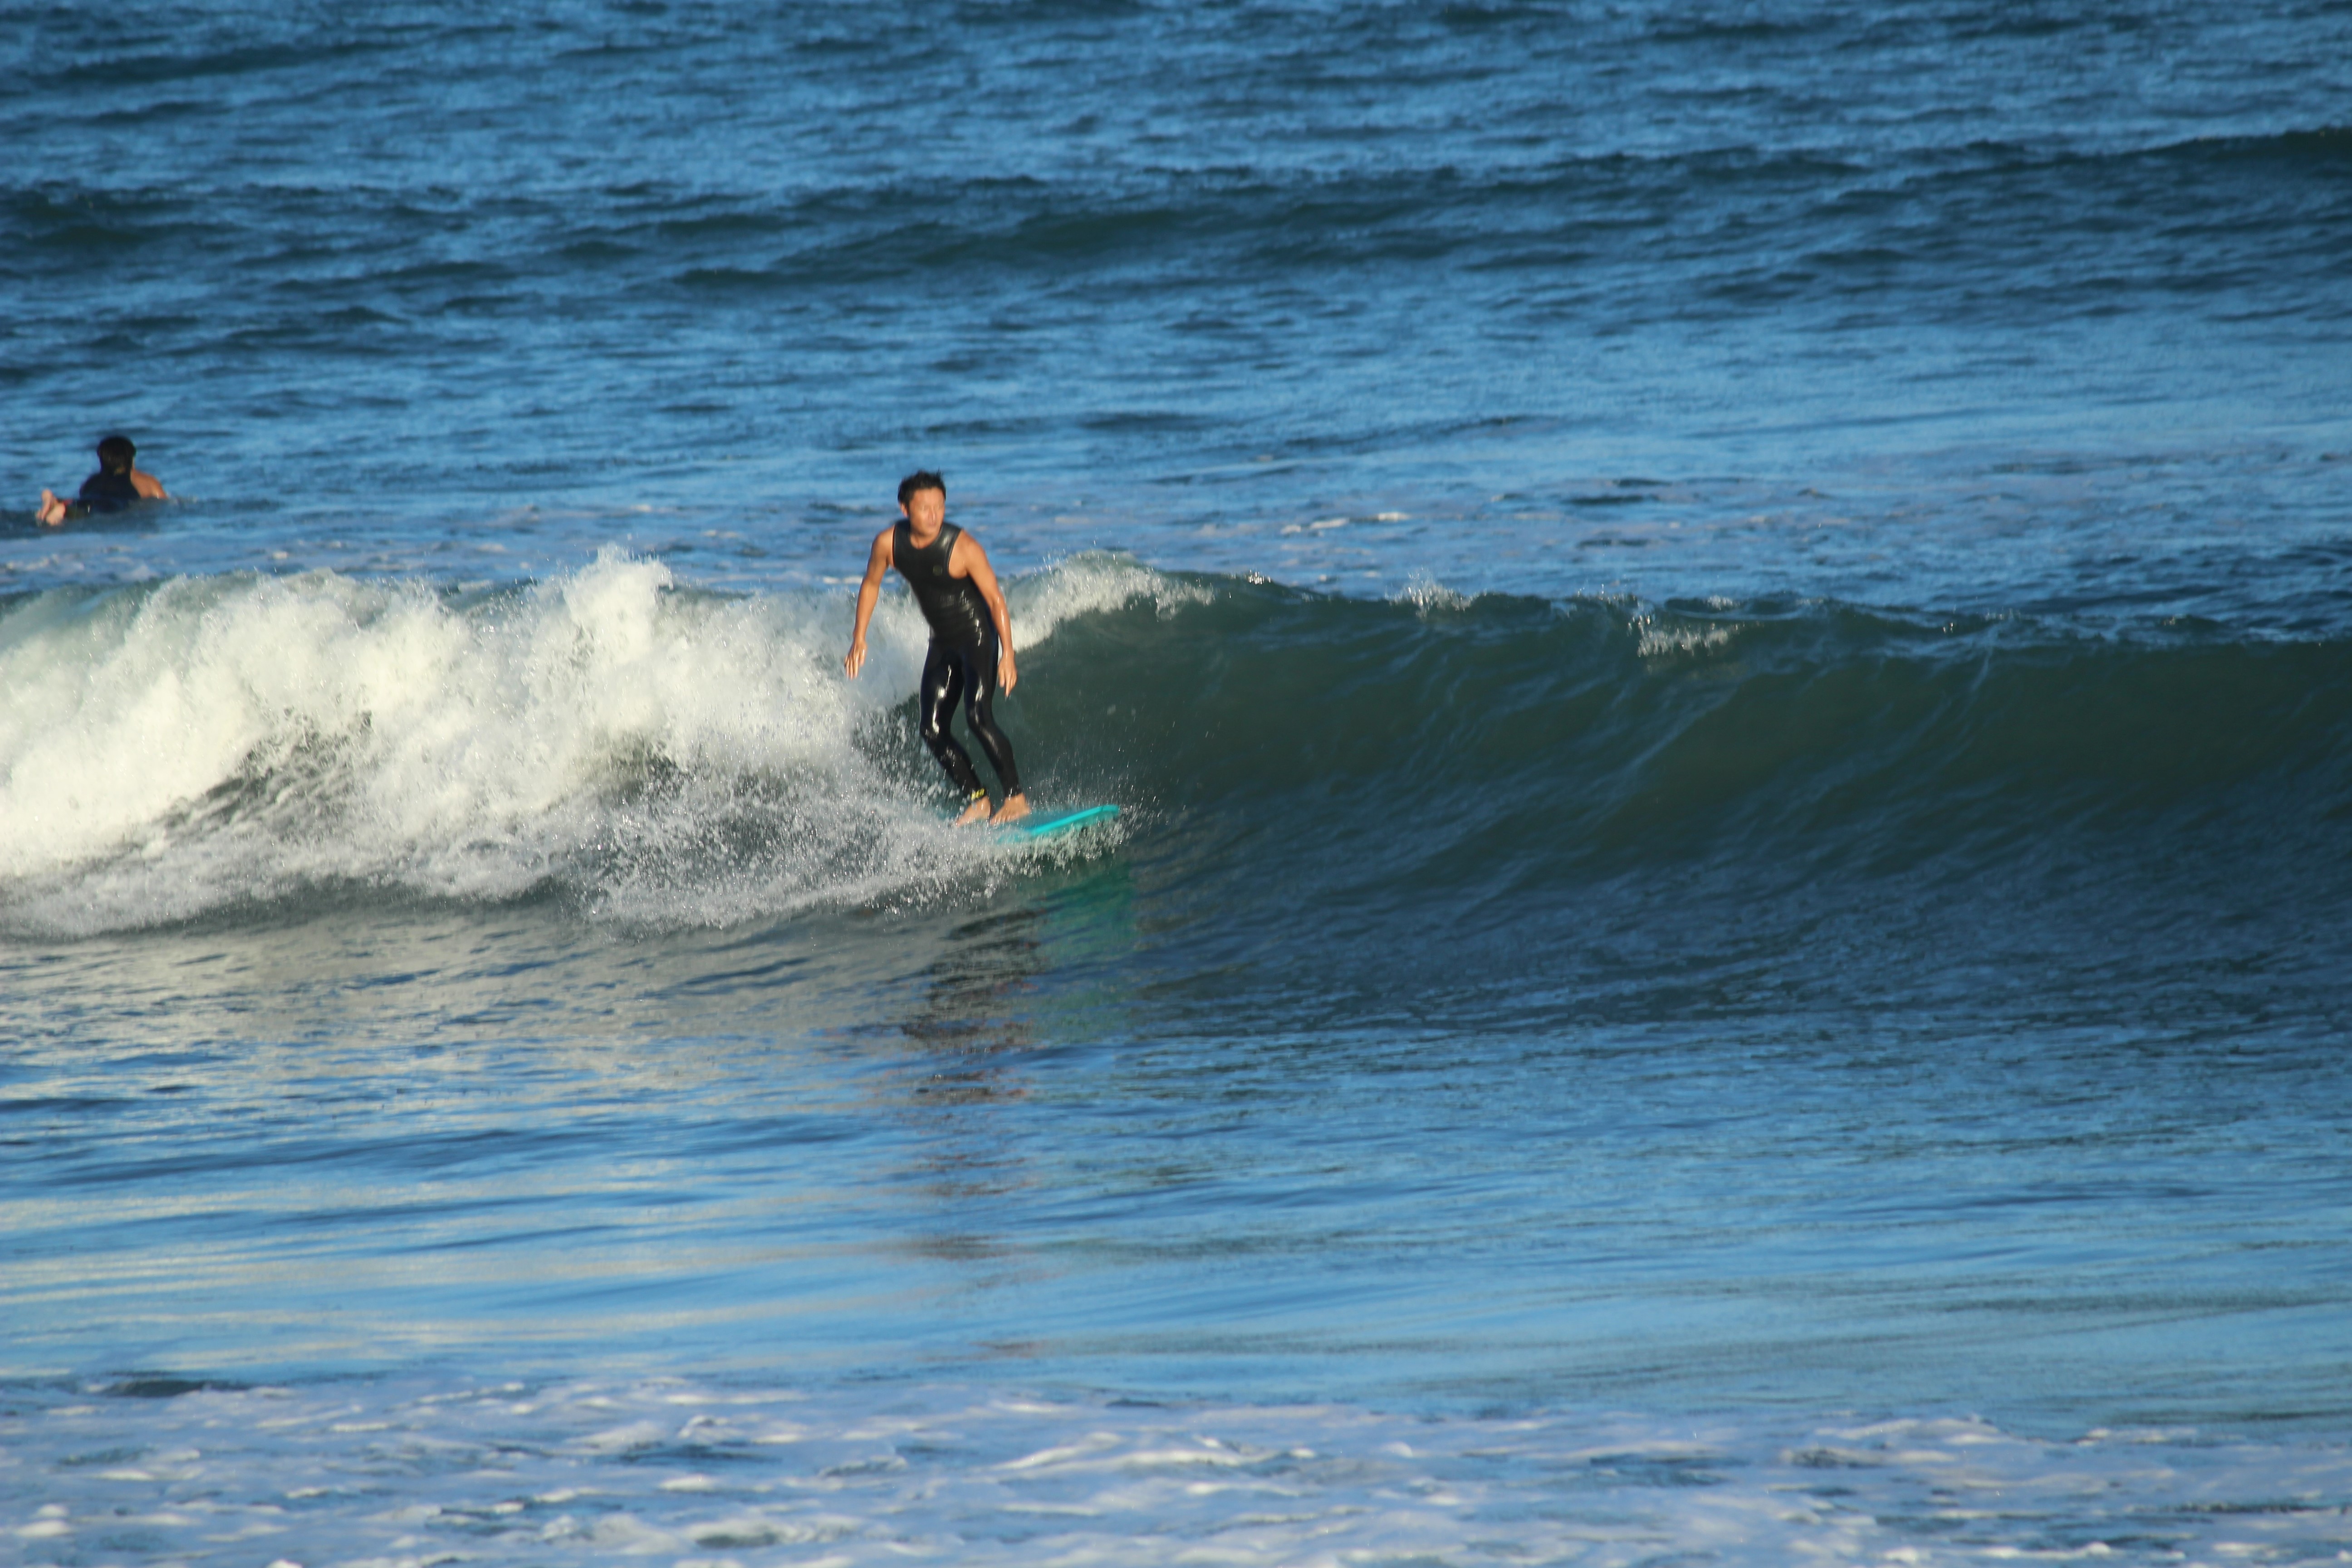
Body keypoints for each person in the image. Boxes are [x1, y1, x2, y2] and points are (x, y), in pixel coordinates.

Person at [843, 470, 1030, 825]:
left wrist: (1008, 654)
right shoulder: (888, 543)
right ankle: (979, 800)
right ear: (905, 508)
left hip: (977, 636)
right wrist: (859, 637)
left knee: (978, 718)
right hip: (942, 642)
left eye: (939, 507)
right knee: (931, 730)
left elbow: (995, 600)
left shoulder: (963, 547)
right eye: (924, 508)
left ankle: (1016, 798)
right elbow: (870, 585)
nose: (934, 515)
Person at [36, 434, 167, 526]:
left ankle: (54, 502)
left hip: (84, 502)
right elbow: (164, 504)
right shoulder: (146, 480)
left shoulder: (90, 481)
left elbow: (84, 495)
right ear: (132, 458)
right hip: (111, 505)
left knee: (76, 509)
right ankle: (59, 508)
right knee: (93, 513)